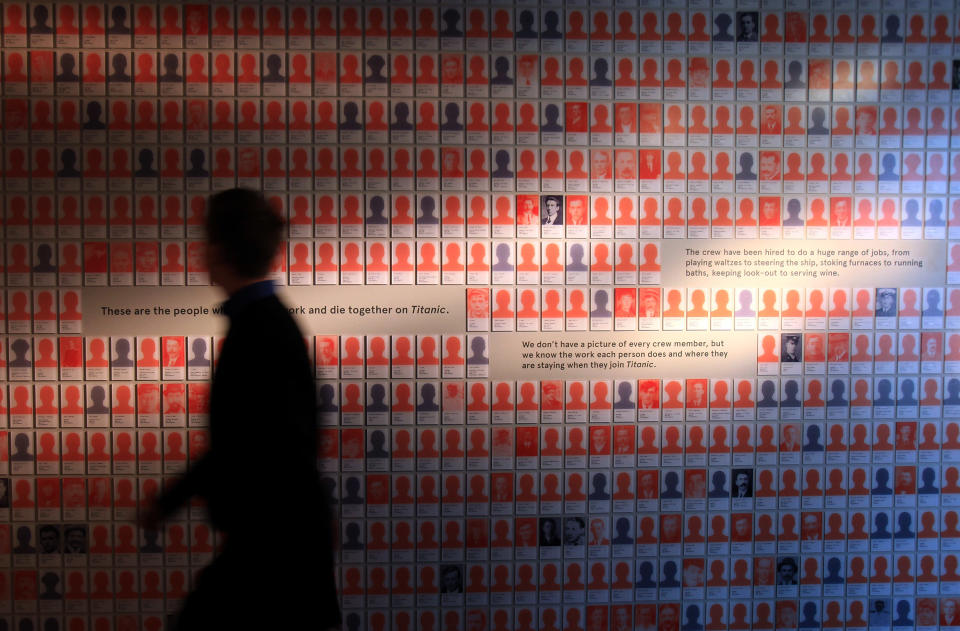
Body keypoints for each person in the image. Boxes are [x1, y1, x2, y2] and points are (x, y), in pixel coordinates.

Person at [140, 188, 341, 630]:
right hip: (280, 546)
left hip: (274, 551)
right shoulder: (265, 323)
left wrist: (169, 500)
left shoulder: (259, 331)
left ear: (218, 250)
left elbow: (249, 444)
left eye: (204, 240)